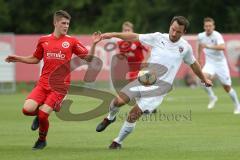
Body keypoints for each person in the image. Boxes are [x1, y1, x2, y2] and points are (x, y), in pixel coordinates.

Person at [96, 16, 212, 149]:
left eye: (178, 32)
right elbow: (134, 36)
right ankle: (110, 118)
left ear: (184, 32)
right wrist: (113, 34)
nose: (174, 33)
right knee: (117, 102)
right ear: (170, 26)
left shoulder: (185, 48)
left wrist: (204, 79)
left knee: (133, 114)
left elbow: (194, 64)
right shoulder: (158, 37)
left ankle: (118, 141)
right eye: (173, 29)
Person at [5, 10, 102, 150]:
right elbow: (35, 59)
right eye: (63, 23)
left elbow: (89, 59)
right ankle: (43, 112)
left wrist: (94, 44)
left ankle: (41, 140)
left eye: (68, 23)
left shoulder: (71, 41)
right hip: (43, 83)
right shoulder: (44, 40)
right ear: (55, 23)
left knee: (44, 115)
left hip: (60, 86)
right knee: (26, 110)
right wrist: (18, 58)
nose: (66, 26)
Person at [197, 17, 240, 113]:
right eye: (206, 26)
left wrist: (208, 46)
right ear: (204, 27)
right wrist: (199, 58)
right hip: (210, 63)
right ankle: (212, 97)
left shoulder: (217, 35)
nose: (208, 28)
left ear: (213, 26)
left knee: (227, 87)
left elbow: (222, 47)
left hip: (221, 64)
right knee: (202, 79)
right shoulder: (201, 36)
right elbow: (200, 45)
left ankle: (237, 105)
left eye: (210, 26)